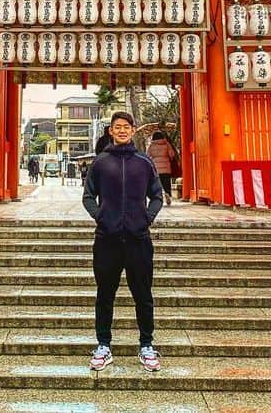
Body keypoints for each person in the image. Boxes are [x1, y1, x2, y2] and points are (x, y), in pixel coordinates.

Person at [81, 111, 164, 373]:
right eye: (117, 127)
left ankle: (147, 345)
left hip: (139, 239)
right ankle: (103, 345)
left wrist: (146, 219)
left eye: (126, 126)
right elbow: (88, 196)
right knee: (105, 294)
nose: (122, 130)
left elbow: (157, 196)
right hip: (107, 239)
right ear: (110, 131)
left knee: (143, 294)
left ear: (133, 129)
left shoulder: (144, 162)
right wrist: (101, 218)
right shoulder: (100, 162)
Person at [146, 130, 177, 205]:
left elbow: (147, 155)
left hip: (156, 167)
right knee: (166, 182)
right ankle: (168, 194)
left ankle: (159, 196)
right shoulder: (166, 144)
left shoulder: (152, 145)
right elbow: (172, 154)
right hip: (166, 167)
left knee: (157, 183)